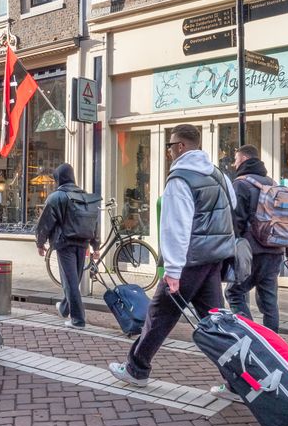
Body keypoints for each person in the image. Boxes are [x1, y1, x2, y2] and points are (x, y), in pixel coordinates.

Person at [108, 124, 236, 387]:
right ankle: (238, 382)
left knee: (159, 315)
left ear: (180, 146)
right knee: (215, 321)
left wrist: (174, 271)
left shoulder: (180, 179)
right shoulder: (217, 174)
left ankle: (136, 369)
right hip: (212, 261)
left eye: (169, 146)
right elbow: (231, 206)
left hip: (188, 263)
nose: (168, 152)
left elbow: (175, 228)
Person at [225, 144, 288, 333]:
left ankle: (250, 335)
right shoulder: (272, 183)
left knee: (234, 293)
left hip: (251, 252)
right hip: (275, 250)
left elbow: (236, 221)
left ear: (243, 159)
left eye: (235, 159)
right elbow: (284, 219)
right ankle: (273, 341)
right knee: (269, 300)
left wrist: (231, 249)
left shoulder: (241, 184)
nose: (234, 164)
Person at [36, 163, 100, 329]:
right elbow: (94, 222)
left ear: (58, 178)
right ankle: (64, 308)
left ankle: (78, 320)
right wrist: (95, 245)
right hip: (83, 243)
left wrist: (40, 243)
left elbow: (45, 222)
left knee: (70, 282)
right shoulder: (84, 196)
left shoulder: (56, 197)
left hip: (65, 244)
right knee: (73, 280)